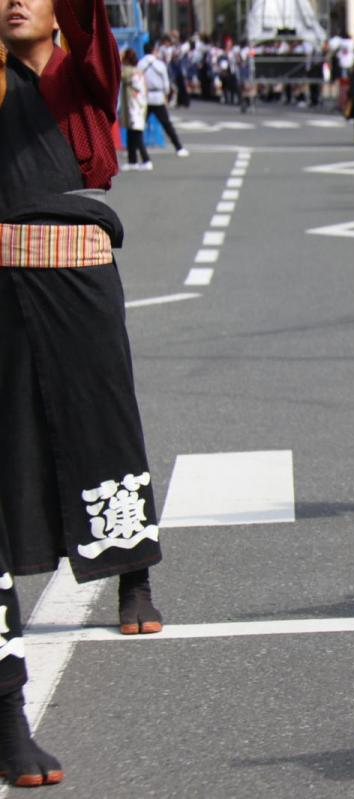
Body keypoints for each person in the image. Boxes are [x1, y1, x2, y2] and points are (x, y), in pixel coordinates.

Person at [0, 0, 168, 785]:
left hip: (79, 271)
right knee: (16, 437)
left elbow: (92, 31)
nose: (14, 2)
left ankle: (132, 571)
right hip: (4, 278)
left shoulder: (84, 71)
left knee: (106, 421)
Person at [138, 37, 187, 157]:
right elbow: (166, 83)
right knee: (167, 124)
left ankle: (134, 149)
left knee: (139, 125)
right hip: (159, 97)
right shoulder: (159, 64)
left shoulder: (140, 64)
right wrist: (166, 94)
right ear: (153, 50)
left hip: (146, 97)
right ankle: (178, 147)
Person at [119, 47, 149, 170]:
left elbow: (118, 73)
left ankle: (146, 159)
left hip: (134, 106)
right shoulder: (137, 70)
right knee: (132, 133)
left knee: (136, 134)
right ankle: (133, 161)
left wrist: (118, 58)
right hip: (139, 105)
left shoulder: (128, 71)